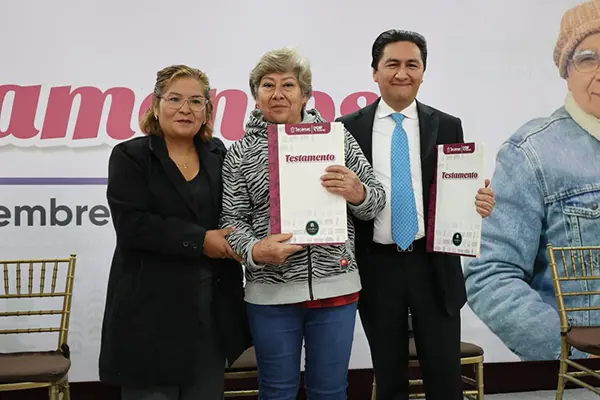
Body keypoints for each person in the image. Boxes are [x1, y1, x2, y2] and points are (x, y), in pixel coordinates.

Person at [219, 47, 386, 399]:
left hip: (336, 286)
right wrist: (255, 250)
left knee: (330, 391)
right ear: (256, 96)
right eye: (268, 85)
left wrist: (358, 193)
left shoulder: (337, 138)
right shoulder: (239, 153)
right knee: (276, 391)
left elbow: (376, 200)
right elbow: (232, 221)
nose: (277, 93)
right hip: (270, 292)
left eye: (288, 85)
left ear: (305, 94)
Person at [337, 30, 496, 400]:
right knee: (389, 378)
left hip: (433, 263)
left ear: (423, 72)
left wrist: (477, 203)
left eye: (412, 64)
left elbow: (458, 189)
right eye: (392, 64)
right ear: (374, 72)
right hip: (376, 265)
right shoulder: (347, 128)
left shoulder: (448, 125)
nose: (402, 73)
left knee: (445, 379)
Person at [98, 65, 251, 400]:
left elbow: (237, 212)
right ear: (156, 106)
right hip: (149, 317)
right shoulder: (130, 156)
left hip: (210, 315)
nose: (185, 109)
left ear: (207, 111)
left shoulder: (219, 154)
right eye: (175, 99)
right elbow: (133, 225)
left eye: (196, 101)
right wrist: (201, 241)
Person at [464, 0, 600, 362]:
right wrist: (578, 357)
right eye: (588, 59)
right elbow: (490, 275)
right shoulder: (531, 153)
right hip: (584, 380)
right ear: (567, 70)